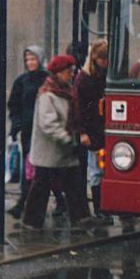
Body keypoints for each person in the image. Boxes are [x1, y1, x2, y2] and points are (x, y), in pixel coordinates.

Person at [21, 54, 91, 229]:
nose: (72, 74)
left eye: (73, 71)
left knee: (74, 183)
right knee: (41, 187)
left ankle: (81, 218)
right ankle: (31, 221)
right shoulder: (48, 94)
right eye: (69, 71)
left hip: (64, 151)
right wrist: (67, 138)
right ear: (58, 73)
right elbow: (48, 124)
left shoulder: (66, 90)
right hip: (50, 151)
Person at [6, 46, 64, 220]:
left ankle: (27, 202)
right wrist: (16, 125)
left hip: (44, 131)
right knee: (30, 168)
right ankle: (28, 201)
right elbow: (14, 105)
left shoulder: (48, 79)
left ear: (40, 59)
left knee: (43, 168)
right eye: (27, 60)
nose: (30, 63)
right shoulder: (21, 81)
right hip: (28, 131)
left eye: (33, 59)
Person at [70, 40, 109, 219]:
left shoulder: (103, 75)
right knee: (97, 170)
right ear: (95, 58)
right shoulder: (84, 79)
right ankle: (100, 209)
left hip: (103, 128)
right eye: (103, 58)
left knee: (102, 169)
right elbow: (77, 107)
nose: (106, 62)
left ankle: (103, 207)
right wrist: (83, 132)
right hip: (93, 130)